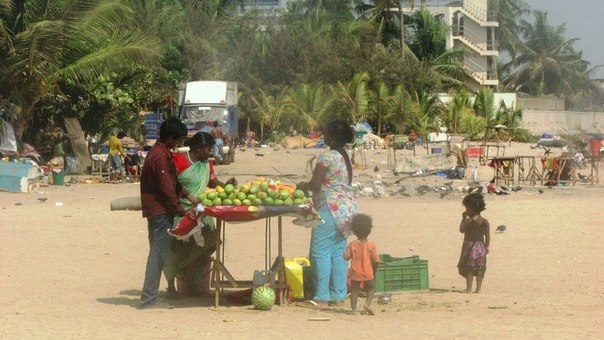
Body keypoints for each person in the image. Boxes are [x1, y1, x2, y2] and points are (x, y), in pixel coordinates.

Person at [164, 132, 237, 299]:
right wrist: (189, 198)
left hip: (203, 211)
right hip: (181, 211)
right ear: (198, 148)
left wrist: (225, 185)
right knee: (175, 248)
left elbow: (212, 182)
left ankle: (193, 280)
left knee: (210, 241)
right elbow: (172, 184)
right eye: (208, 148)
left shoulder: (207, 164)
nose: (211, 151)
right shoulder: (179, 160)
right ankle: (171, 286)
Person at [296, 118, 358, 307]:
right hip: (347, 209)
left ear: (331, 137)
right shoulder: (344, 156)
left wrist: (303, 185)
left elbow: (315, 184)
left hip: (330, 208)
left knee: (320, 252)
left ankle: (321, 296)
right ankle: (338, 295)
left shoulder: (327, 156)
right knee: (337, 252)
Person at [138, 117, 189, 309]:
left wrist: (189, 197)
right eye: (178, 140)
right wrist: (179, 209)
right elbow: (167, 187)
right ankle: (148, 299)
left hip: (157, 210)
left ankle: (149, 297)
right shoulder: (159, 156)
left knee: (157, 253)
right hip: (160, 212)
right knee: (158, 254)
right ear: (170, 138)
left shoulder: (161, 153)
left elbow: (173, 184)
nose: (179, 144)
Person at [344, 213, 380, 316]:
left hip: (356, 272)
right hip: (368, 272)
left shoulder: (352, 244)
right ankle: (367, 304)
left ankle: (354, 310)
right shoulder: (371, 245)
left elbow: (346, 257)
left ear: (354, 231)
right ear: (369, 229)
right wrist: (375, 271)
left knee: (354, 291)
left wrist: (343, 251)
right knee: (371, 288)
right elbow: (376, 260)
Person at [457, 193, 491, 293]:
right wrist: (487, 246)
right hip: (481, 247)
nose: (466, 210)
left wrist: (463, 218)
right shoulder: (485, 221)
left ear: (472, 209)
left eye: (467, 208)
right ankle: (478, 289)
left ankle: (468, 289)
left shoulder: (468, 221)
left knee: (469, 269)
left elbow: (461, 230)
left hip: (470, 246)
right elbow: (487, 236)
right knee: (480, 268)